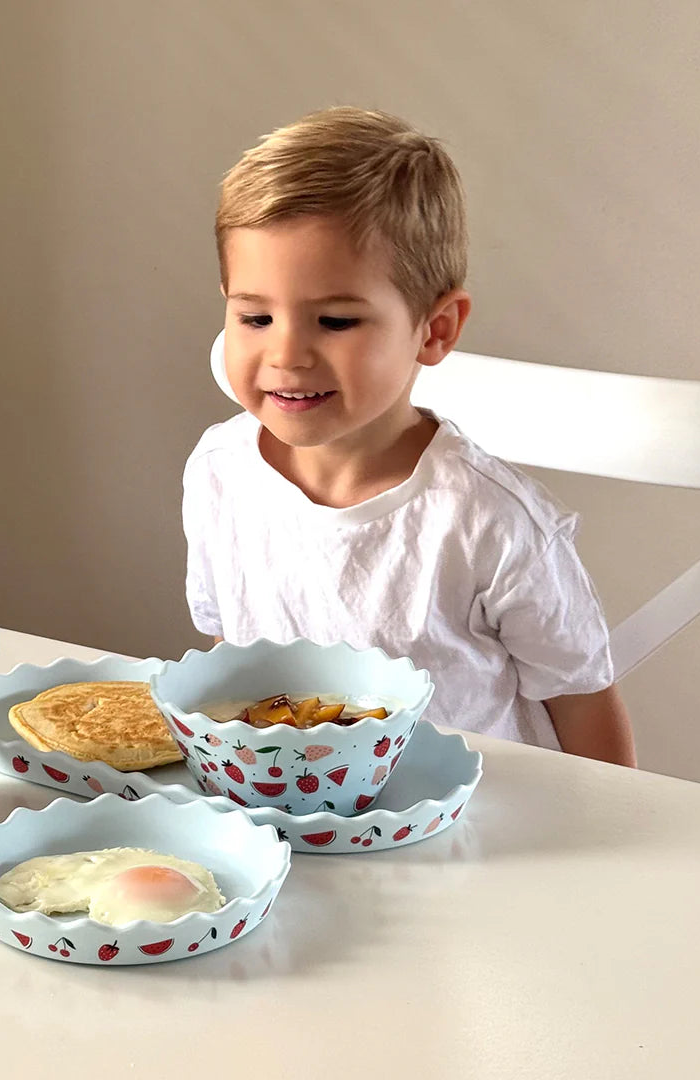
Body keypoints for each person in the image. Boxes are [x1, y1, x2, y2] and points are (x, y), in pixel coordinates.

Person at [182, 106, 636, 766]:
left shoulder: (489, 522)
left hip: (472, 838)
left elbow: (585, 707)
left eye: (335, 321)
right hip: (289, 824)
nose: (287, 353)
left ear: (436, 329)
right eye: (254, 316)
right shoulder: (220, 471)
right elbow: (231, 662)